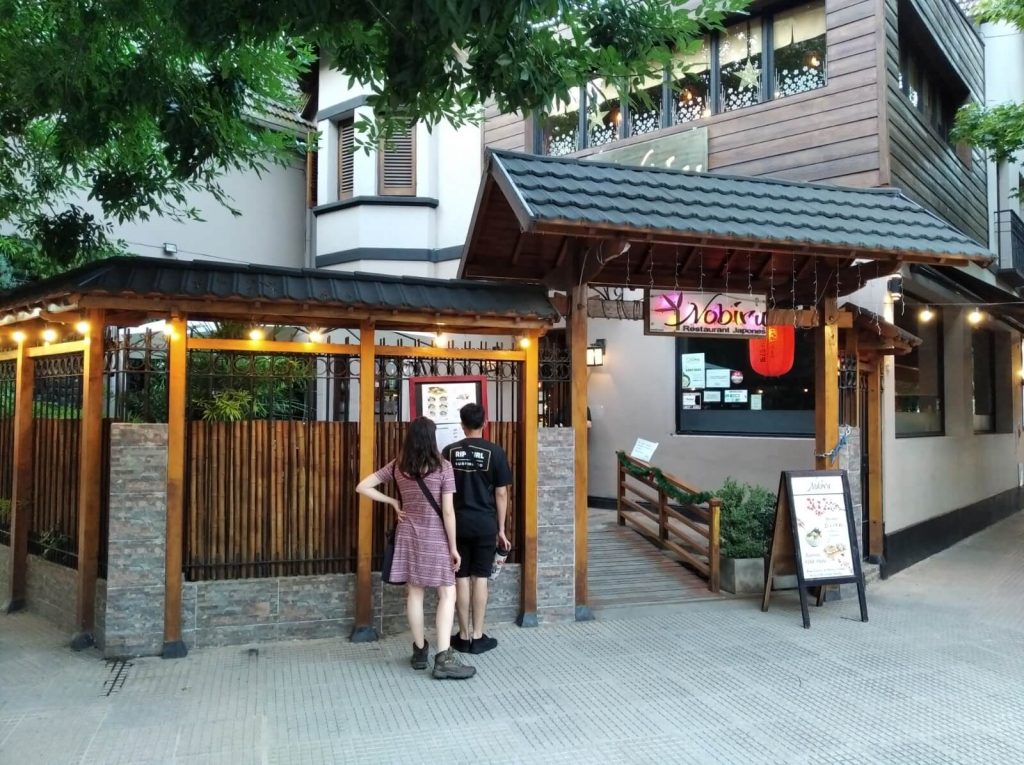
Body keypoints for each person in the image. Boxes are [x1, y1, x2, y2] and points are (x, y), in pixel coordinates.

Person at [356, 417, 475, 680]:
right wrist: (454, 548)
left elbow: (362, 486)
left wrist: (393, 502)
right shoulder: (444, 467)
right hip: (436, 537)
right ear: (432, 438)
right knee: (448, 593)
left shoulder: (398, 466)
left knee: (415, 593)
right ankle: (443, 658)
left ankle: (420, 651)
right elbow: (447, 511)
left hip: (408, 535)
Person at [442, 403, 513, 654]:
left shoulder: (449, 452)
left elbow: (443, 491)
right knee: (480, 577)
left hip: (457, 523)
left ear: (462, 425)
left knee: (460, 577)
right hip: (485, 523)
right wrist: (501, 529)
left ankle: (462, 636)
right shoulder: (495, 452)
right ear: (485, 423)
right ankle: (478, 636)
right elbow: (501, 493)